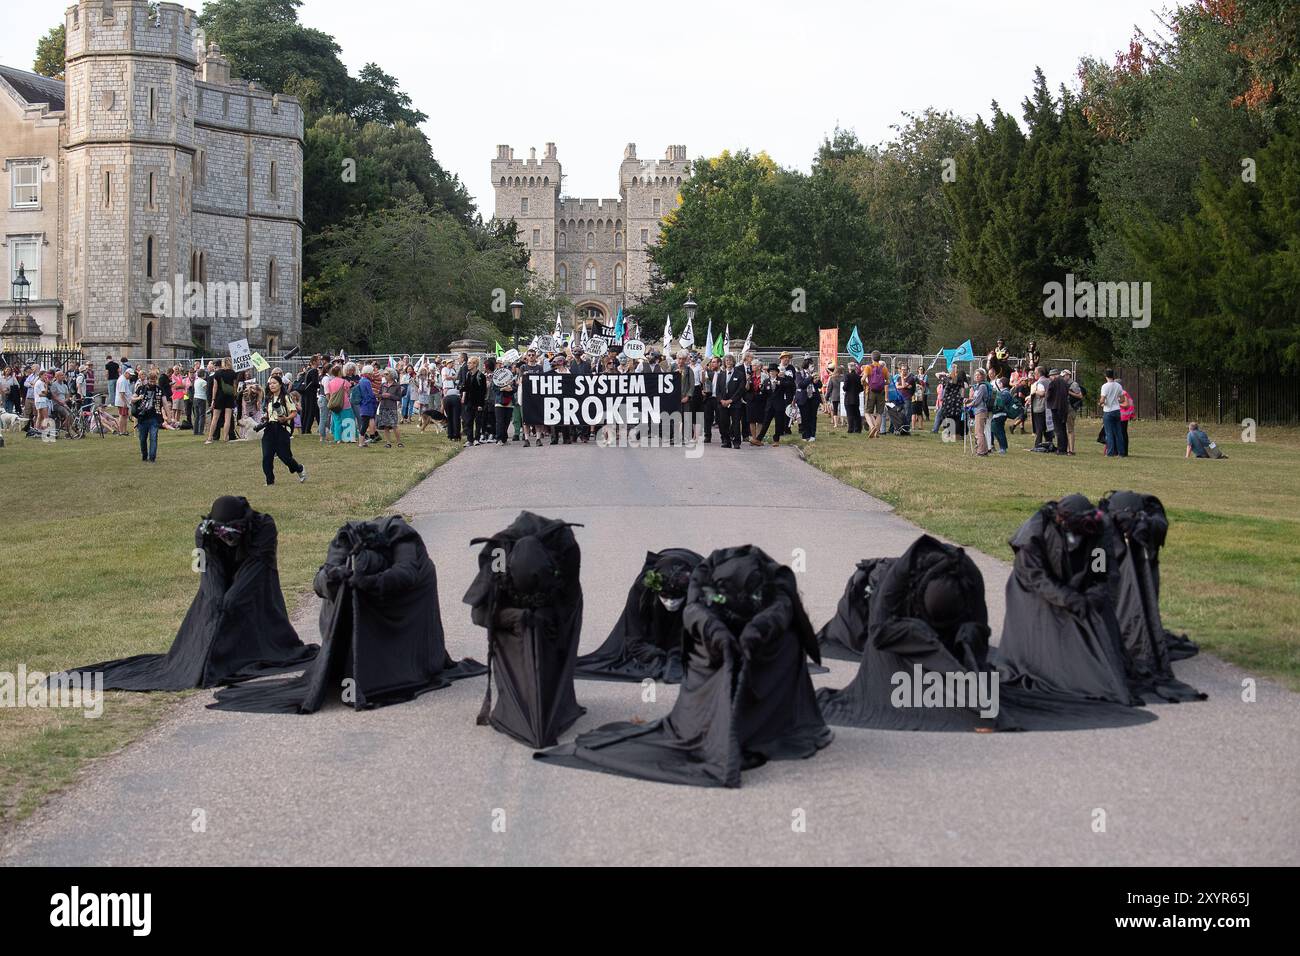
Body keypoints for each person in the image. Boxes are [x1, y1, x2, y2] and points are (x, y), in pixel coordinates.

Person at [261, 374, 306, 484]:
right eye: (270, 383)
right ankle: (269, 481)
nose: (272, 385)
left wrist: (286, 418)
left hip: (281, 429)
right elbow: (269, 413)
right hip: (269, 429)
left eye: (274, 383)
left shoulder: (286, 397)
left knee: (285, 456)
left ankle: (299, 468)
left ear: (280, 385)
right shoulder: (269, 398)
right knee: (267, 456)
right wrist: (266, 417)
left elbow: (294, 413)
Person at [132, 368, 166, 462]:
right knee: (142, 439)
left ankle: (152, 458)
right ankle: (144, 455)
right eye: (151, 381)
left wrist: (169, 416)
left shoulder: (159, 390)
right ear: (148, 379)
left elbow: (165, 403)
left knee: (153, 438)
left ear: (156, 380)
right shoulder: (141, 389)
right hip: (142, 418)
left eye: (154, 381)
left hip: (154, 418)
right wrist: (139, 397)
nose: (152, 383)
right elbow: (132, 399)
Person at [715, 353, 745, 449]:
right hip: (723, 403)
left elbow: (740, 390)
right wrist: (721, 400)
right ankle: (726, 441)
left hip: (735, 403)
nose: (728, 362)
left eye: (730, 360)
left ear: (733, 362)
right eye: (727, 360)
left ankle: (736, 442)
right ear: (724, 362)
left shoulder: (739, 374)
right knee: (724, 423)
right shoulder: (721, 375)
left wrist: (731, 400)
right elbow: (718, 390)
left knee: (735, 423)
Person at [205, 358, 238, 444]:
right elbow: (234, 386)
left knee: (215, 418)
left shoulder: (218, 373)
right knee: (227, 419)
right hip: (229, 397)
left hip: (219, 396)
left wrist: (213, 399)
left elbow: (215, 387)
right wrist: (234, 396)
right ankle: (226, 437)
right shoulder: (233, 373)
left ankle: (209, 437)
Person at [326, 362, 357, 444]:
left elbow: (329, 393)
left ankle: (338, 438)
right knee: (348, 420)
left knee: (337, 422)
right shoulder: (344, 381)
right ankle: (348, 437)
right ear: (340, 372)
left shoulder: (330, 382)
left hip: (335, 404)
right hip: (345, 404)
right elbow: (348, 390)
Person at [1099, 368, 1126, 457]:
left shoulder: (1105, 386)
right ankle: (1121, 453)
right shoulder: (1118, 385)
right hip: (1117, 410)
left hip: (1108, 411)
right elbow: (1122, 399)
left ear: (1106, 376)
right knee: (1118, 432)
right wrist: (1116, 400)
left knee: (1109, 432)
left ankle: (1110, 452)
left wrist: (1101, 403)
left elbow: (1103, 400)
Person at [964, 368, 991, 456]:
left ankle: (981, 451)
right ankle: (984, 450)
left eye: (979, 375)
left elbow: (977, 401)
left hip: (981, 410)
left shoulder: (982, 386)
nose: (977, 376)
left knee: (979, 432)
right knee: (979, 431)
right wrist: (968, 400)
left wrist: (969, 405)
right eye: (975, 375)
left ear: (983, 376)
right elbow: (975, 398)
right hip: (978, 411)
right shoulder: (978, 386)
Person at [293, 355, 321, 436]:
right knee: (310, 412)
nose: (320, 361)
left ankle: (306, 429)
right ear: (314, 361)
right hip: (311, 395)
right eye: (318, 360)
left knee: (307, 412)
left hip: (305, 394)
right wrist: (321, 384)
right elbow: (315, 383)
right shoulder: (314, 371)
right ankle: (307, 429)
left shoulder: (308, 370)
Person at [461, 356, 486, 446]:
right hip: (469, 401)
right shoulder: (468, 374)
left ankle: (477, 439)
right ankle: (469, 439)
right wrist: (463, 395)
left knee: (478, 421)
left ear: (475, 364)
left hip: (478, 402)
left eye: (470, 363)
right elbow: (466, 387)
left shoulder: (481, 376)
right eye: (468, 363)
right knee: (468, 421)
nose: (468, 365)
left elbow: (483, 391)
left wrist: (480, 404)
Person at [863, 350, 889, 437]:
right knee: (879, 413)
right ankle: (877, 431)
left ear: (872, 358)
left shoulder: (868, 367)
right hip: (881, 392)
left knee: (867, 412)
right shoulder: (884, 368)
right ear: (879, 358)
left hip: (871, 391)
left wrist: (867, 384)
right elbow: (887, 382)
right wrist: (882, 384)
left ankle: (872, 426)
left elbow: (863, 379)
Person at [795, 357, 821, 442]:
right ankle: (805, 435)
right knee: (805, 417)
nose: (813, 367)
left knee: (813, 416)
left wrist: (816, 381)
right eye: (811, 365)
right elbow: (801, 385)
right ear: (807, 366)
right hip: (804, 398)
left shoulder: (815, 374)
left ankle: (812, 435)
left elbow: (820, 385)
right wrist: (810, 377)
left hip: (814, 397)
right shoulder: (800, 373)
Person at [376, 369, 404, 448]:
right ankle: (388, 443)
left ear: (391, 375)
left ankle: (399, 442)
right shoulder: (383, 385)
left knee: (394, 425)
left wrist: (390, 396)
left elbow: (399, 398)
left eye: (386, 374)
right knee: (386, 426)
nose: (384, 376)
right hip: (383, 407)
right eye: (384, 374)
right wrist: (381, 396)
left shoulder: (397, 385)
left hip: (392, 408)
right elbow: (379, 395)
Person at [1046, 367, 1070, 456]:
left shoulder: (1053, 383)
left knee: (1058, 429)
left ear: (1054, 375)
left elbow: (1048, 395)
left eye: (1050, 376)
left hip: (1055, 407)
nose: (1050, 378)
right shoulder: (1065, 382)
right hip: (1064, 408)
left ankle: (1061, 449)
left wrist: (1048, 399)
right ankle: (1064, 447)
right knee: (1063, 428)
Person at [352, 365, 378, 448]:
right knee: (365, 424)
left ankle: (362, 442)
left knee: (365, 423)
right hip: (367, 404)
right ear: (368, 373)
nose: (372, 375)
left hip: (363, 404)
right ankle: (361, 443)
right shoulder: (367, 381)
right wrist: (376, 397)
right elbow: (370, 394)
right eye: (371, 373)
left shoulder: (361, 380)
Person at [440, 358, 461, 442]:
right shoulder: (444, 369)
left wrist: (452, 377)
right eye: (451, 363)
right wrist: (452, 377)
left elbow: (455, 378)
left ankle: (452, 432)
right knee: (448, 409)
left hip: (452, 388)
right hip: (446, 387)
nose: (452, 364)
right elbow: (446, 378)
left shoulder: (452, 369)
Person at [842, 360, 864, 434]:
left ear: (849, 368)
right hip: (856, 397)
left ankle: (850, 429)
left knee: (850, 414)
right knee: (857, 413)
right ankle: (858, 429)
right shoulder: (858, 377)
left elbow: (845, 387)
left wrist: (845, 389)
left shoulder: (847, 376)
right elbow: (861, 388)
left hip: (848, 397)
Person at [115, 364, 135, 436]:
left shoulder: (125, 379)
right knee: (122, 416)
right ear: (126, 373)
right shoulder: (122, 380)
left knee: (125, 416)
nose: (131, 376)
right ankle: (121, 431)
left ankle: (124, 431)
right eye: (130, 375)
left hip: (125, 401)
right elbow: (122, 393)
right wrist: (125, 402)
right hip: (122, 401)